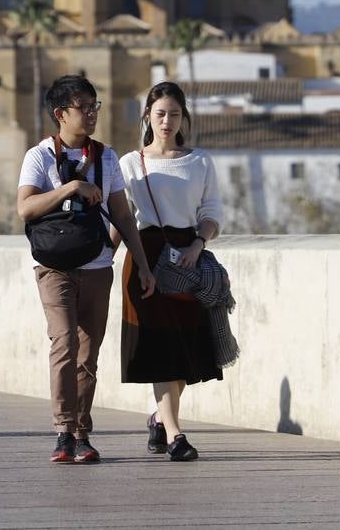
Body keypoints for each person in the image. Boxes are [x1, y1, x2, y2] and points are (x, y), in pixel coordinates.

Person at [17, 75, 156, 464]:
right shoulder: (39, 157)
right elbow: (25, 208)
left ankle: (81, 433)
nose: (93, 113)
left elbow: (124, 217)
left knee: (88, 355)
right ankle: (63, 430)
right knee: (64, 344)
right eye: (84, 107)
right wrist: (69, 189)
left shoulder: (106, 157)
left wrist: (142, 265)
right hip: (53, 267)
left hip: (97, 265)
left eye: (96, 105)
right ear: (61, 114)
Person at [117, 81, 238, 462]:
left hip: (188, 260)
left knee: (186, 351)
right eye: (159, 114)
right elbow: (121, 218)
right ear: (147, 118)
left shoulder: (199, 160)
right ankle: (175, 435)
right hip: (145, 258)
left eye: (173, 113)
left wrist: (197, 246)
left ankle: (158, 417)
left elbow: (212, 212)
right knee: (159, 350)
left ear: (184, 117)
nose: (166, 121)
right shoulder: (130, 163)